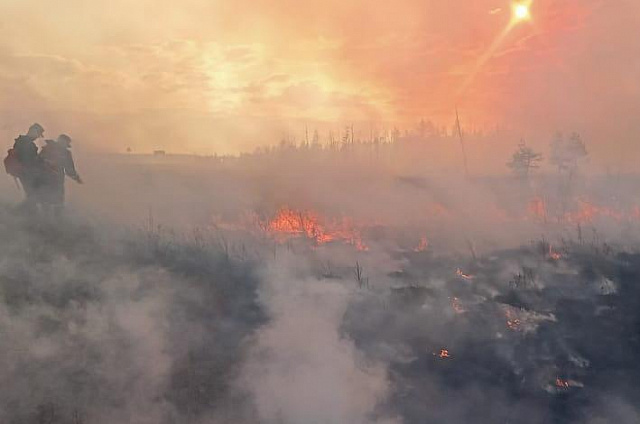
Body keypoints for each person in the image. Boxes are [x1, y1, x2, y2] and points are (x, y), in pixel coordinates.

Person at [38, 134, 82, 215]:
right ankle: (56, 222)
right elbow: (69, 170)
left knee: (46, 202)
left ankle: (45, 221)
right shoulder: (66, 153)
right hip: (55, 181)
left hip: (45, 180)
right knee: (57, 203)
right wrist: (77, 178)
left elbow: (38, 161)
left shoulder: (48, 148)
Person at [12, 123, 45, 209]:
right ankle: (16, 212)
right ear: (33, 132)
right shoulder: (27, 144)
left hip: (24, 172)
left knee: (32, 195)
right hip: (27, 173)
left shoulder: (21, 141)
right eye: (38, 134)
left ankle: (26, 213)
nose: (37, 137)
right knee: (33, 195)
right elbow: (29, 161)